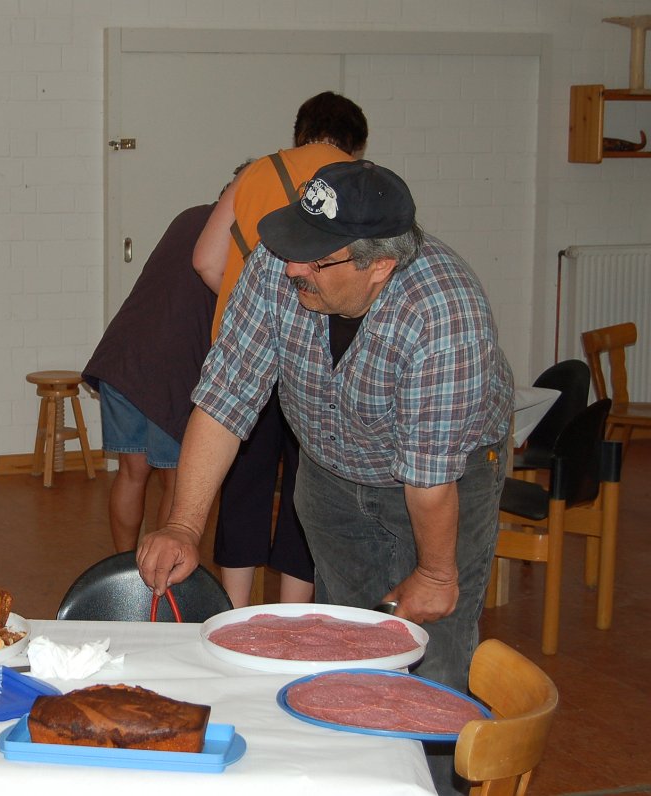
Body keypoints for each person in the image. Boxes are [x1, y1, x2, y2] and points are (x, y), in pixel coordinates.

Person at [137, 162, 512, 793]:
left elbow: (429, 478)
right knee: (339, 644)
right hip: (331, 471)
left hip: (444, 483)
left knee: (434, 662)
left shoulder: (443, 313)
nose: (292, 269)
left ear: (379, 266)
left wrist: (437, 572)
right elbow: (225, 397)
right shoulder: (280, 260)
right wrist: (182, 523)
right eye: (294, 247)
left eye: (315, 260)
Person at [193, 91, 368, 607]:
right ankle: (293, 612)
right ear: (355, 145)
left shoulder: (256, 173)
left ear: (299, 133)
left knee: (243, 482)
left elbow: (206, 261)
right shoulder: (357, 181)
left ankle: (235, 611)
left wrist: (244, 302)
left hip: (249, 357)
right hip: (319, 358)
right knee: (307, 486)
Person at [82, 203, 216, 552]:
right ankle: (162, 579)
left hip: (122, 355)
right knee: (177, 481)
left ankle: (125, 570)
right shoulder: (243, 236)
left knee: (131, 471)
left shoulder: (188, 216)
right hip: (168, 369)